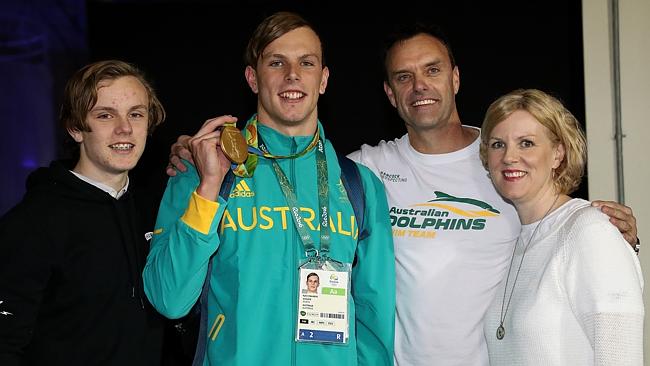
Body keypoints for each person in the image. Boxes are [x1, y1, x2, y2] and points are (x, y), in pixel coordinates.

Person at [166, 22, 639, 366]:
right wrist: (193, 158)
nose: (420, 87)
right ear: (390, 95)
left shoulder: (500, 167)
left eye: (432, 70)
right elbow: (300, 168)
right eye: (403, 77)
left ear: (455, 77)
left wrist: (600, 226)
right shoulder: (366, 172)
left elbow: (554, 225)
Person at [143, 11, 395, 366]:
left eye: (306, 63)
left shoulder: (359, 185)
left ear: (323, 79)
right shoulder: (202, 171)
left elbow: (375, 315)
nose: (292, 75)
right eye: (276, 62)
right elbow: (168, 299)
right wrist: (209, 187)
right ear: (252, 78)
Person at [0, 60, 166, 365]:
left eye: (136, 114)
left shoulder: (155, 209)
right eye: (105, 115)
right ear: (75, 128)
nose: (125, 128)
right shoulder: (33, 221)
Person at [479, 88, 643, 365]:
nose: (509, 157)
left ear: (558, 153)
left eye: (526, 143)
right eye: (498, 144)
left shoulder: (590, 230)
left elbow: (621, 356)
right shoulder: (517, 242)